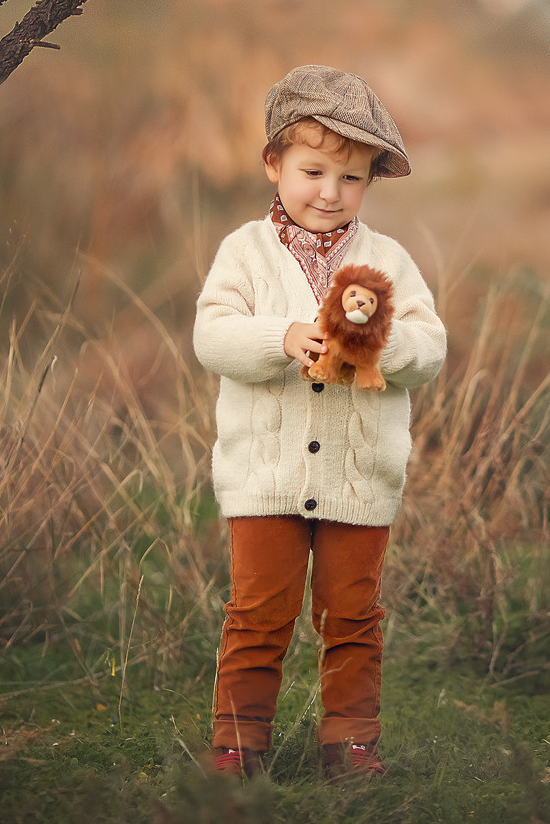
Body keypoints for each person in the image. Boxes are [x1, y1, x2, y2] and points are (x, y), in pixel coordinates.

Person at [193, 64, 447, 782]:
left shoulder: (387, 260)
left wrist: (376, 344)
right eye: (312, 171)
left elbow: (428, 350)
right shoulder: (244, 252)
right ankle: (237, 748)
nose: (330, 193)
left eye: (352, 178)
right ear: (274, 164)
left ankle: (351, 745)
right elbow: (212, 335)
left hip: (358, 478)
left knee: (353, 616)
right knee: (257, 613)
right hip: (263, 477)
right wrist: (280, 338)